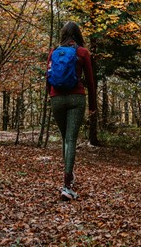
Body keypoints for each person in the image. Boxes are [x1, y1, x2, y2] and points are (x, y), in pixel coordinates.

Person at [46, 21, 97, 201]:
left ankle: (69, 176)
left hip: (56, 99)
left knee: (65, 139)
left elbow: (48, 78)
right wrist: (92, 105)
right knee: (70, 139)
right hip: (76, 98)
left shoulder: (53, 52)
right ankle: (67, 186)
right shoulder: (82, 52)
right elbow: (90, 81)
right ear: (78, 34)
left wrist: (51, 98)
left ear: (63, 34)